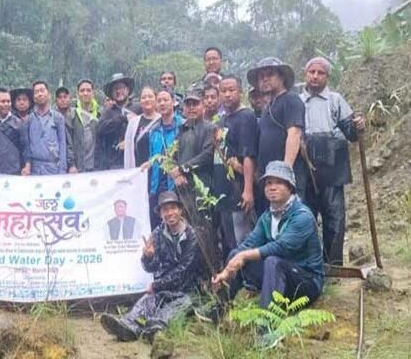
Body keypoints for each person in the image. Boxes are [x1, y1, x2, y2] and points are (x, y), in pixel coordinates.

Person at [211, 162, 324, 323]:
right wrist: (226, 271)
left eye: (278, 182)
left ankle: (267, 326)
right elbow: (249, 243)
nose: (272, 187)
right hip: (278, 277)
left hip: (306, 281)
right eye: (269, 183)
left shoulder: (302, 216)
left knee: (271, 261)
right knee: (236, 253)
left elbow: (281, 247)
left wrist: (245, 255)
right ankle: (219, 310)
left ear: (290, 187)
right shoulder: (268, 216)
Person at [100, 191, 202, 343]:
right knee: (146, 302)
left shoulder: (191, 234)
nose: (169, 213)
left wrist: (156, 284)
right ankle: (128, 326)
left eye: (173, 208)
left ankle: (155, 328)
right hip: (164, 288)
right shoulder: (158, 234)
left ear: (180, 210)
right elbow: (151, 268)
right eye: (165, 210)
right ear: (160, 213)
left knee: (175, 308)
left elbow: (185, 269)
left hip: (187, 290)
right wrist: (148, 257)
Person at [298, 57, 366, 265]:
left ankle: (333, 265)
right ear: (305, 74)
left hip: (333, 166)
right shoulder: (297, 101)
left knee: (334, 219)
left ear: (327, 77)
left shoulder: (336, 100)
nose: (316, 76)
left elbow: (351, 133)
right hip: (305, 166)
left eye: (321, 73)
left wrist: (358, 127)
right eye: (312, 72)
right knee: (305, 217)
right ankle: (310, 264)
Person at [248, 57, 307, 211]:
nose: (265, 79)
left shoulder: (291, 100)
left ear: (281, 77)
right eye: (261, 76)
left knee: (288, 224)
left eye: (270, 74)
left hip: (284, 179)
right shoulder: (268, 107)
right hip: (269, 178)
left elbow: (294, 134)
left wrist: (284, 172)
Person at [213, 75, 259, 258]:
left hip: (238, 189)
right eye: (223, 91)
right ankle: (235, 281)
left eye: (231, 90)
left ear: (241, 92)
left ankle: (249, 281)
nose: (227, 94)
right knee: (229, 239)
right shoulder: (222, 121)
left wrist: (248, 190)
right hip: (223, 191)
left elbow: (248, 155)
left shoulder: (246, 116)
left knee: (243, 239)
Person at [145, 89, 184, 228]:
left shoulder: (184, 126)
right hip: (158, 186)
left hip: (178, 184)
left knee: (179, 225)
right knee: (159, 227)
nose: (162, 103)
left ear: (173, 102)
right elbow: (153, 158)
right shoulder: (153, 130)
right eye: (159, 100)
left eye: (166, 100)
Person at [21, 81, 67, 175]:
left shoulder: (58, 118)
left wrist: (62, 170)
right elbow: (27, 146)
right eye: (36, 92)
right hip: (35, 169)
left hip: (53, 168)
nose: (40, 94)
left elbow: (63, 145)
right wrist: (27, 165)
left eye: (42, 90)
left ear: (49, 94)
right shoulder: (29, 120)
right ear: (33, 97)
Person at [171, 93, 216, 190]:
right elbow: (172, 156)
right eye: (188, 105)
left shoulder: (210, 128)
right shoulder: (181, 130)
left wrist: (182, 169)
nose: (191, 108)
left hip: (203, 187)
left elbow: (207, 155)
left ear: (203, 106)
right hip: (182, 186)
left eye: (195, 104)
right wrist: (178, 174)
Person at [96, 73, 139, 171]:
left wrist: (129, 142)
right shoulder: (107, 112)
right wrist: (122, 118)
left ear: (128, 90)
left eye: (121, 88)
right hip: (114, 163)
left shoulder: (138, 108)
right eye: (115, 89)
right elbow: (100, 129)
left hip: (135, 161)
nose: (119, 91)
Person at [55, 87, 96, 173]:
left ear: (70, 99)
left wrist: (72, 164)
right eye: (60, 97)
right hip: (58, 163)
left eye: (65, 97)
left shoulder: (77, 115)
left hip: (81, 164)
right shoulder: (53, 117)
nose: (62, 100)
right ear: (56, 100)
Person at [124, 86, 160, 169]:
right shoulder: (133, 123)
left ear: (156, 99)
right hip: (138, 171)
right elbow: (128, 150)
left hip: (158, 171)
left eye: (150, 97)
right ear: (140, 101)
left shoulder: (162, 120)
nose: (147, 100)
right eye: (143, 97)